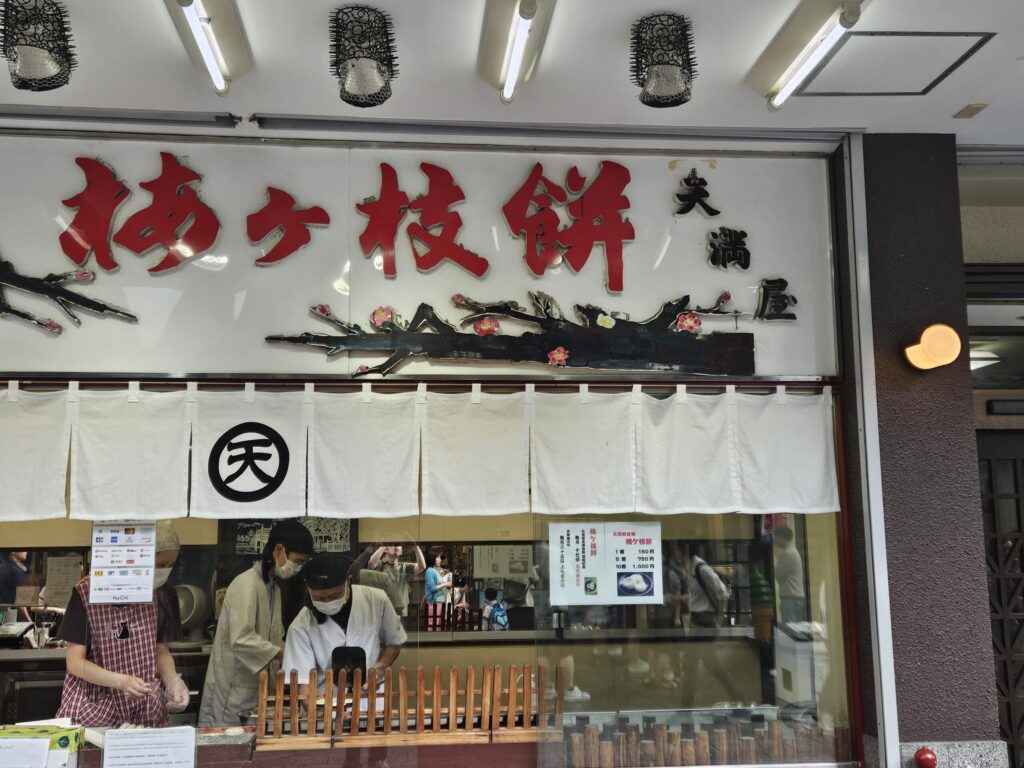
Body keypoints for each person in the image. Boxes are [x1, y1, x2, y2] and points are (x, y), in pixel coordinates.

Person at [55, 522, 189, 726]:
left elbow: (161, 652)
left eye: (170, 565)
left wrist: (173, 681)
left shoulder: (163, 594)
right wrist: (120, 681)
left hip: (145, 709)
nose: (164, 571)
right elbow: (75, 663)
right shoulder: (86, 593)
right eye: (159, 565)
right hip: (95, 708)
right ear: (137, 557)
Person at [198, 518, 314, 727]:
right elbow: (242, 638)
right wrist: (284, 654)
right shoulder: (246, 584)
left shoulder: (273, 589)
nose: (298, 567)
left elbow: (275, 637)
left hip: (258, 690)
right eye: (297, 561)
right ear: (279, 550)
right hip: (232, 692)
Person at [282, 553, 406, 694]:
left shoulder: (376, 600)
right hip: (324, 703)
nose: (327, 601)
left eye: (334, 596)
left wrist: (381, 667)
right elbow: (303, 684)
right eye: (319, 598)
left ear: (348, 581)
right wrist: (318, 711)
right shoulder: (301, 625)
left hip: (370, 701)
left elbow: (394, 641)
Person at [368, 543, 426, 618]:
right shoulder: (380, 565)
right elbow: (371, 563)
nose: (396, 547)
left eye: (398, 545)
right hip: (383, 612)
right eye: (392, 545)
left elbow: (422, 567)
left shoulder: (405, 566)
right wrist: (384, 544)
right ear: (386, 549)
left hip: (401, 612)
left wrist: (416, 547)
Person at [773, 526, 807, 624]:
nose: (775, 540)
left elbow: (777, 573)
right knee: (795, 629)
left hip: (790, 598)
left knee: (790, 630)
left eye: (776, 537)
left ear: (782, 537)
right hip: (795, 597)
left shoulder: (788, 553)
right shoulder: (793, 552)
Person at [423, 550, 451, 631]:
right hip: (433, 603)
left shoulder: (434, 571)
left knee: (437, 626)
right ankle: (431, 643)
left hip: (438, 602)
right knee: (432, 625)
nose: (440, 560)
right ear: (432, 559)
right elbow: (432, 588)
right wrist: (445, 584)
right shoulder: (429, 571)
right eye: (438, 557)